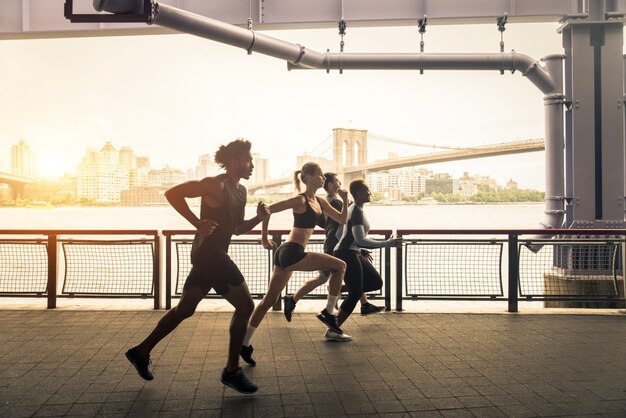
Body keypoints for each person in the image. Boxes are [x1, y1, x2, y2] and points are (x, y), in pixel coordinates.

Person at [124, 139, 269, 394]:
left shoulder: (241, 191)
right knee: (246, 306)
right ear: (234, 161)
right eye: (248, 159)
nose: (252, 165)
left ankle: (140, 351)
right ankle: (232, 371)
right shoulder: (215, 184)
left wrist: (259, 218)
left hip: (214, 255)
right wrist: (197, 223)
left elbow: (236, 229)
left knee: (185, 309)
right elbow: (172, 193)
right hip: (208, 255)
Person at [240, 162, 350, 366]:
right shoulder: (300, 200)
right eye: (319, 175)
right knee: (340, 266)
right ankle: (328, 312)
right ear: (307, 177)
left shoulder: (319, 201)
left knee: (268, 301)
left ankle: (244, 344)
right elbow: (267, 210)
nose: (323, 179)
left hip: (287, 254)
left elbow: (342, 221)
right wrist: (264, 238)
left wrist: (344, 200)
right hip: (292, 252)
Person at [283, 173, 384, 325]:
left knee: (353, 275)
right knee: (327, 277)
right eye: (336, 181)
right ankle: (296, 300)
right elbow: (342, 226)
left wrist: (355, 246)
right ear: (330, 185)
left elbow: (324, 223)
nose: (339, 183)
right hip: (336, 245)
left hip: (340, 244)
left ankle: (362, 304)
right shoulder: (335, 202)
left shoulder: (329, 201)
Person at [331, 179, 402, 340]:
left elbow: (340, 235)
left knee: (375, 282)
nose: (370, 193)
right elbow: (360, 238)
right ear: (358, 193)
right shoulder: (355, 211)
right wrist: (388, 243)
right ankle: (333, 329)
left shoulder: (353, 209)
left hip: (351, 251)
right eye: (367, 190)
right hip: (346, 253)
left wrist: (359, 247)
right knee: (356, 293)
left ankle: (340, 289)